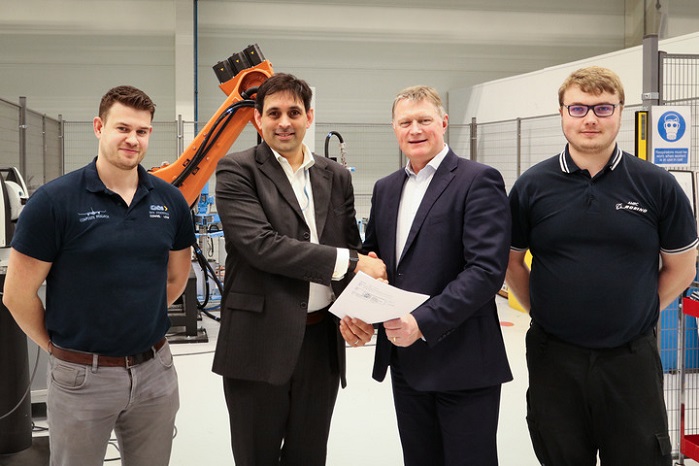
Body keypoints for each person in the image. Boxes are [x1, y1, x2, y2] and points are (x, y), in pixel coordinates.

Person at [506, 66, 698, 466]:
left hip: (630, 361)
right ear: (561, 113)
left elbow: (682, 268)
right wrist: (540, 310)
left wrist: (642, 310)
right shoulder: (531, 186)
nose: (590, 119)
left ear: (620, 112)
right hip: (553, 360)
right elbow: (511, 264)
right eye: (578, 108)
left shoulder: (657, 184)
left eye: (602, 108)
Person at [2, 85, 195, 466]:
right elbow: (17, 295)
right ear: (98, 127)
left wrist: (138, 318)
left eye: (141, 131)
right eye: (122, 128)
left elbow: (175, 280)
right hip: (80, 378)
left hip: (156, 371)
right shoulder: (55, 202)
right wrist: (60, 350)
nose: (132, 139)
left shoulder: (170, 200)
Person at [212, 72, 386, 465]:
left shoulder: (335, 175)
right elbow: (262, 246)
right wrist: (354, 263)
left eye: (294, 111)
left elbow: (347, 242)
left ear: (309, 116)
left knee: (309, 455)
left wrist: (357, 310)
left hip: (320, 341)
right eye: (273, 113)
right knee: (255, 455)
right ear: (258, 120)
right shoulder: (237, 170)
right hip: (258, 341)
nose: (284, 122)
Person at [340, 85, 513, 465]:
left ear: (444, 123)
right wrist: (360, 312)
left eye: (424, 120)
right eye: (406, 122)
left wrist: (422, 321)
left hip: (463, 361)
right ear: (394, 128)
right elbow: (374, 262)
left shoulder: (477, 180)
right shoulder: (387, 189)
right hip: (407, 363)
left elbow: (485, 270)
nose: (415, 129)